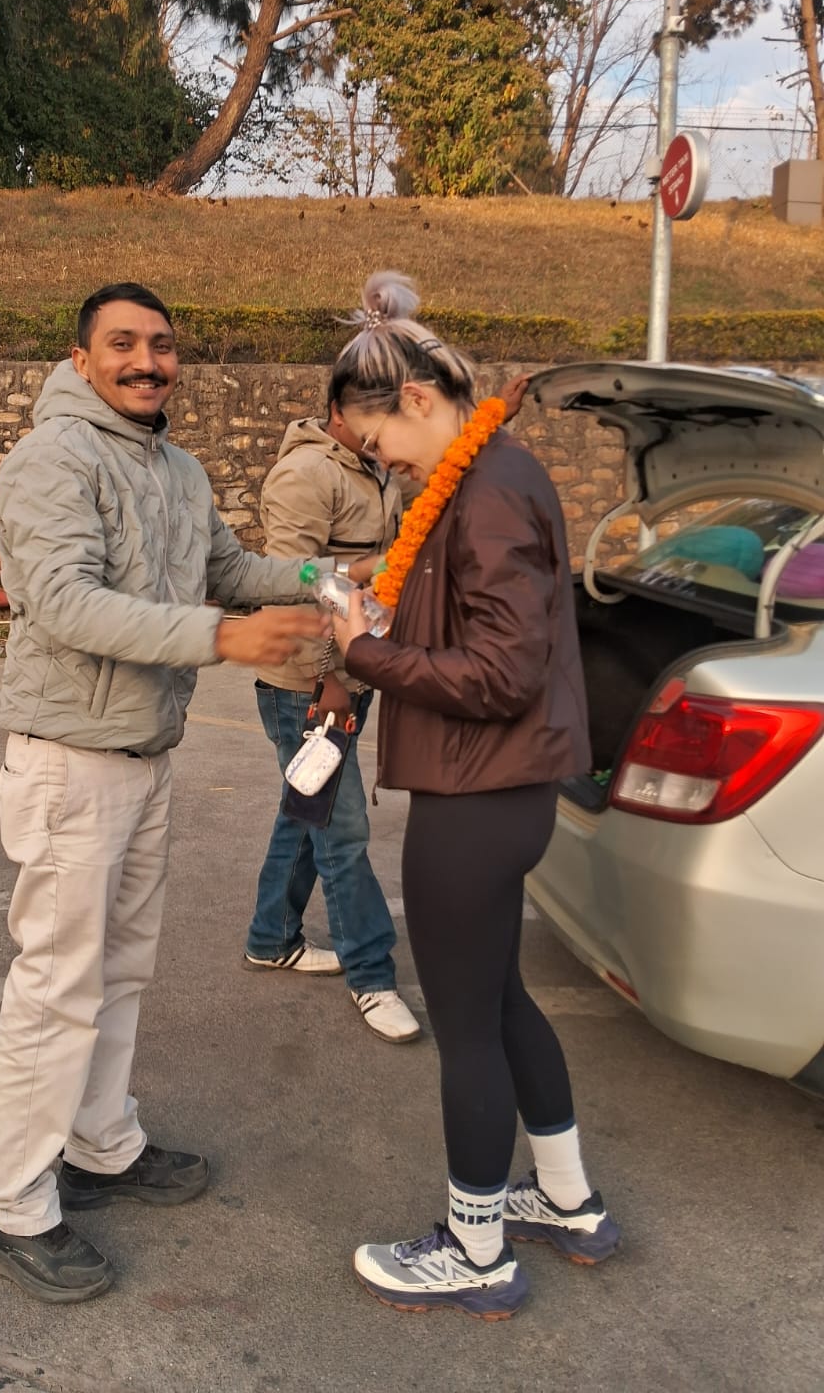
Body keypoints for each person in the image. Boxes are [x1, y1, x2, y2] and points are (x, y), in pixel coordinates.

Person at [0, 282, 329, 1306]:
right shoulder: (53, 459)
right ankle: (9, 1200)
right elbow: (67, 601)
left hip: (144, 755)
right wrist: (219, 637)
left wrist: (327, 579)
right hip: (70, 761)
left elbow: (232, 566)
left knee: (118, 971)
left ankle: (100, 1143)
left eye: (162, 345)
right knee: (56, 985)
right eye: (123, 343)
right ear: (82, 359)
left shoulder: (175, 466)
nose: (147, 361)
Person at [329, 272, 621, 1321]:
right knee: (498, 997)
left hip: (476, 791)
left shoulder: (486, 487)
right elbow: (488, 640)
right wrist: (385, 619)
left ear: (414, 401)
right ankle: (571, 1202)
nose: (379, 465)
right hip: (502, 789)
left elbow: (498, 673)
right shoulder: (485, 475)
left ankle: (476, 1247)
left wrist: (364, 650)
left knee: (466, 1023)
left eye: (375, 444)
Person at [243, 392, 421, 1043]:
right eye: (378, 414)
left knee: (304, 814)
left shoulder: (372, 467)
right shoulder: (305, 475)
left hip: (354, 669)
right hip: (307, 686)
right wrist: (327, 679)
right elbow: (303, 581)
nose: (388, 430)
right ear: (340, 408)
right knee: (342, 833)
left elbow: (376, 571)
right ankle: (372, 976)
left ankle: (271, 937)